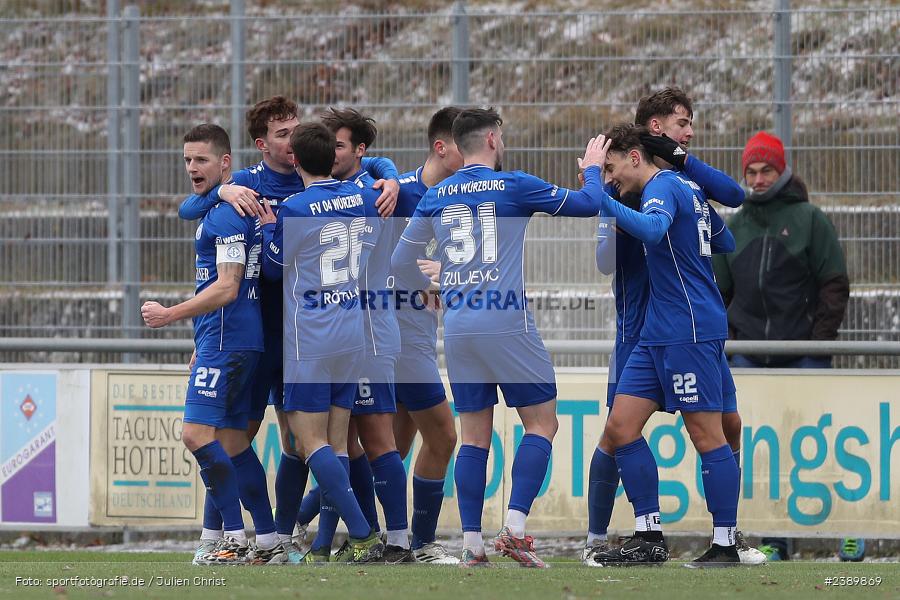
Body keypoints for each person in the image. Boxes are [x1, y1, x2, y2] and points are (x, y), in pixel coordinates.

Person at [176, 97, 401, 564]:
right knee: (236, 435)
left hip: (305, 334)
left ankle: (286, 538)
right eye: (283, 134)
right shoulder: (246, 184)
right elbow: (187, 207)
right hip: (263, 332)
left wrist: (391, 173)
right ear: (262, 145)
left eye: (297, 131)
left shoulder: (309, 190)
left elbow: (369, 160)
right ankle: (220, 534)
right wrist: (220, 193)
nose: (292, 140)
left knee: (302, 444)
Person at [392, 107, 613, 568]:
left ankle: (472, 543)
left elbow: (398, 263)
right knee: (542, 424)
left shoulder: (435, 194)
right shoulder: (514, 185)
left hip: (459, 327)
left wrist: (441, 281)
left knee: (474, 437)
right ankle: (513, 528)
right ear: (492, 140)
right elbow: (589, 202)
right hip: (507, 321)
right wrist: (593, 169)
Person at [584, 87, 765, 566]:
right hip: (656, 330)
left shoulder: (663, 186)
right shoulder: (683, 189)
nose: (610, 178)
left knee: (708, 434)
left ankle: (725, 542)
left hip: (687, 327)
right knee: (621, 427)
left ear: (635, 157)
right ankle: (649, 536)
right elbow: (721, 240)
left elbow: (652, 229)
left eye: (612, 169)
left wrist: (600, 196)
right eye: (683, 123)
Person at [141, 124, 279, 564]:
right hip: (229, 339)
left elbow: (227, 287)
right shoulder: (220, 206)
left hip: (227, 339)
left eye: (201, 159)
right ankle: (269, 540)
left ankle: (232, 539)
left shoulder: (225, 216)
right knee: (234, 442)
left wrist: (170, 314)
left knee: (195, 434)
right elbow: (188, 209)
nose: (191, 167)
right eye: (187, 159)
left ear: (225, 162)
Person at [712, 130, 852, 561]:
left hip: (804, 356)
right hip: (748, 357)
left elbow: (834, 284)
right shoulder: (734, 225)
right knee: (760, 452)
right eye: (751, 172)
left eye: (766, 170)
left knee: (821, 448)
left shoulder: (810, 219)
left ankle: (851, 530)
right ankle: (775, 539)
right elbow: (718, 293)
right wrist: (732, 342)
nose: (757, 179)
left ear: (782, 170)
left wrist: (818, 344)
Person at [261, 121, 384, 564]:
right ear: (334, 157)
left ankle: (364, 535)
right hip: (351, 331)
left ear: (295, 159)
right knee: (337, 444)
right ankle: (322, 546)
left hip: (310, 338)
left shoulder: (294, 208)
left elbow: (273, 269)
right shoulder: (362, 198)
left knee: (310, 445)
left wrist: (268, 229)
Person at [389, 106, 464, 564]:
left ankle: (300, 525)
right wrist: (426, 283)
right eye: (464, 144)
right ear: (441, 147)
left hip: (419, 332)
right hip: (397, 336)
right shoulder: (396, 192)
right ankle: (421, 543)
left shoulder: (462, 198)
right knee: (443, 437)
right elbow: (385, 261)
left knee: (391, 449)